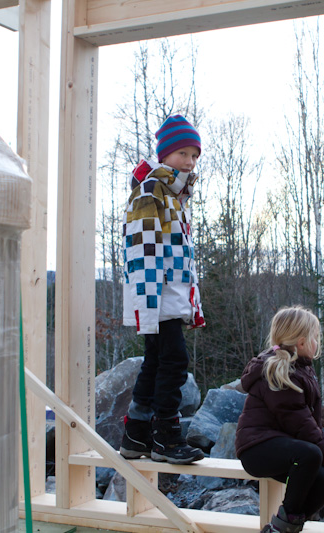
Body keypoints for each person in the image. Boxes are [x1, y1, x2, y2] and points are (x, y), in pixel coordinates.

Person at [119, 114, 206, 465]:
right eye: (183, 153)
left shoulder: (174, 195)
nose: (189, 161)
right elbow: (142, 249)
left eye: (194, 155)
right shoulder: (152, 190)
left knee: (156, 361)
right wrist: (149, 303)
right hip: (157, 293)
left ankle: (136, 434)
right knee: (174, 361)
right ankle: (166, 437)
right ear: (165, 154)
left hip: (169, 293)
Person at [235, 306, 324, 533]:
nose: (317, 343)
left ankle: (284, 528)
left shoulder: (301, 369)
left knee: (322, 482)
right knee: (310, 454)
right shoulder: (280, 372)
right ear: (301, 343)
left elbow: (310, 423)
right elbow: (301, 424)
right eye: (315, 338)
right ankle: (280, 529)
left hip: (281, 446)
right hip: (256, 448)